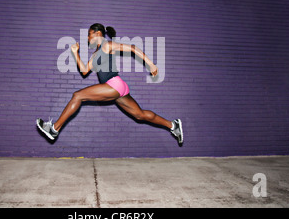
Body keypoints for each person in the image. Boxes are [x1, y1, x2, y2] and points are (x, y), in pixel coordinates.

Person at [36, 23, 183, 145]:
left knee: (77, 96)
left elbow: (132, 48)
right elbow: (84, 70)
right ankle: (173, 125)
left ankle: (54, 129)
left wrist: (151, 65)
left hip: (114, 84)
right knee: (140, 115)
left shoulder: (107, 45)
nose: (87, 38)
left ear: (97, 33)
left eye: (89, 34)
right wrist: (75, 53)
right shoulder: (95, 54)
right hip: (118, 89)